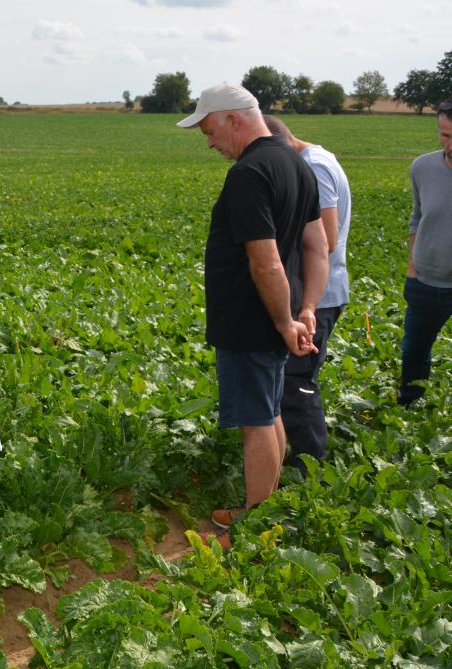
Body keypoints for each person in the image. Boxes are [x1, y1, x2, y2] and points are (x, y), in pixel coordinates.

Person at [176, 83, 328, 538]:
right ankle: (270, 504)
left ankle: (256, 522)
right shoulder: (296, 166)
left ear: (233, 119)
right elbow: (316, 247)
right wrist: (306, 310)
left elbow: (265, 262)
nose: (209, 142)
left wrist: (286, 322)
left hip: (250, 319)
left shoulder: (248, 174)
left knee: (256, 422)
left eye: (209, 130)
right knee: (271, 411)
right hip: (277, 315)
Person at [263, 115, 352, 474]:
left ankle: (309, 470)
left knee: (298, 384)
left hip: (318, 296)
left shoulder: (311, 169)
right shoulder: (317, 158)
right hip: (321, 292)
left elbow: (324, 241)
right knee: (294, 380)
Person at [398, 98, 452, 406]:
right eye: (444, 135)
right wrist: (412, 268)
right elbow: (417, 216)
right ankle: (410, 407)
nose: (448, 144)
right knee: (414, 351)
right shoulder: (423, 167)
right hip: (426, 282)